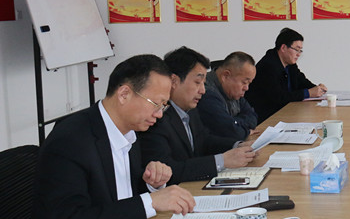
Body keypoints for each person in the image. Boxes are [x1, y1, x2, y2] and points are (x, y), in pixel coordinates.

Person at [26, 55, 196, 219]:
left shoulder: (129, 132)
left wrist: (151, 184)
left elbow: (118, 197)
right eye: (156, 104)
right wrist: (150, 202)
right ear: (124, 94)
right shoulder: (70, 140)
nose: (158, 114)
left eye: (163, 106)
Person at [138, 47, 256, 186]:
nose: (203, 90)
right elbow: (168, 169)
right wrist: (222, 161)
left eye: (203, 83)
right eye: (197, 82)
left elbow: (204, 141)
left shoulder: (190, 110)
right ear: (174, 81)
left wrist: (237, 146)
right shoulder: (156, 118)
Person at [245, 28, 328, 122]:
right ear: (283, 48)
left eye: (300, 50)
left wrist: (317, 89)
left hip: (283, 113)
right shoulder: (268, 66)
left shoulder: (290, 64)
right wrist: (308, 93)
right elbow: (279, 97)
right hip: (265, 118)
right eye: (296, 49)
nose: (298, 54)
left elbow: (301, 81)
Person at [196, 51, 259, 140]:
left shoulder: (234, 92)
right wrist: (245, 130)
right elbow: (232, 132)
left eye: (249, 83)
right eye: (244, 82)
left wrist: (234, 122)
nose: (246, 88)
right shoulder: (206, 93)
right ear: (225, 76)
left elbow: (252, 117)